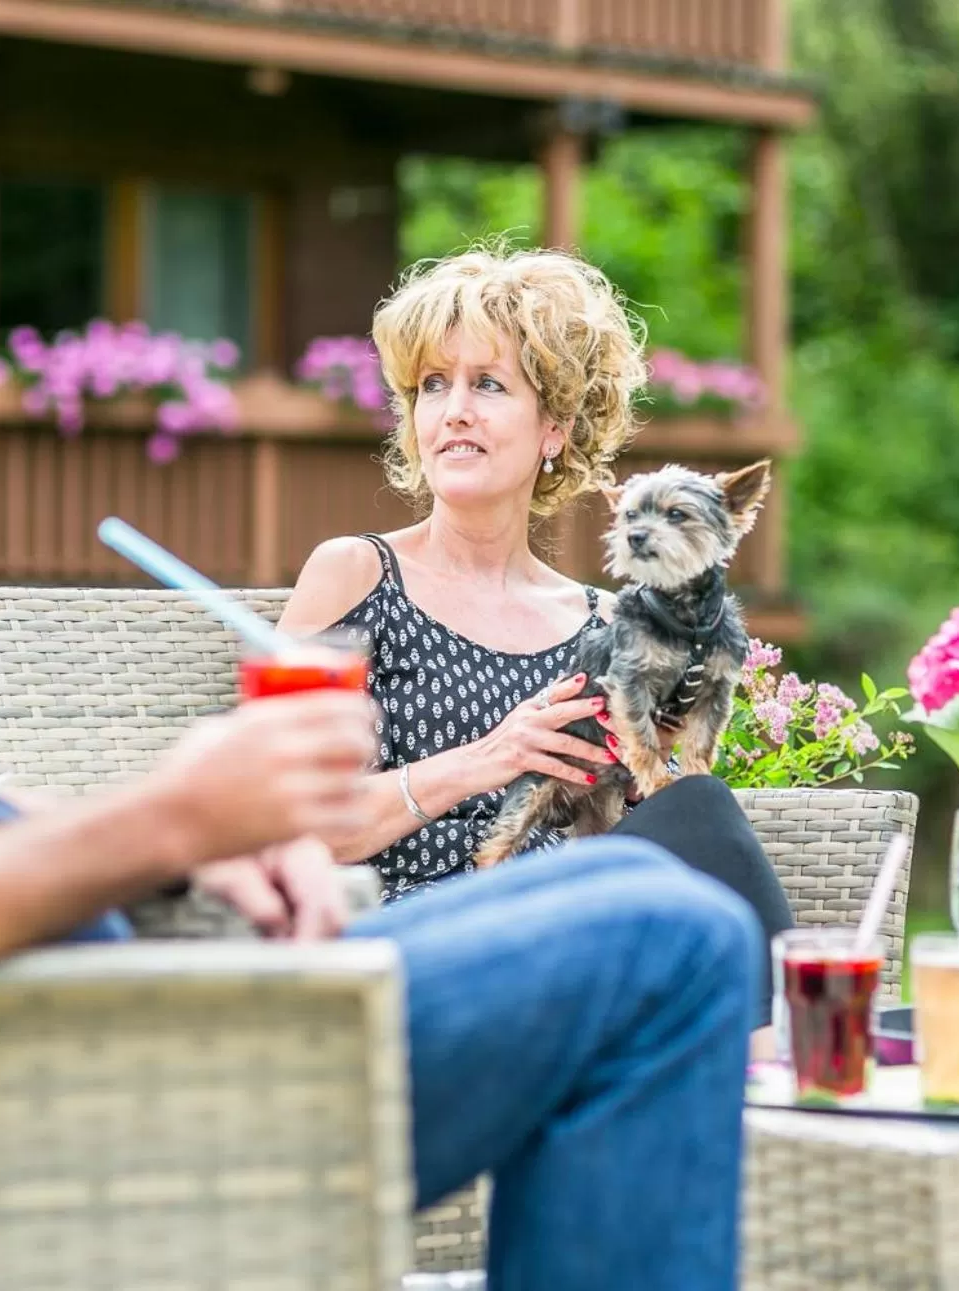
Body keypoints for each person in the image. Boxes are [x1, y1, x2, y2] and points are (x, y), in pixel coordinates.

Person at [0, 119, 760, 1291]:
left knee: (646, 891)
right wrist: (170, 820)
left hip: (98, 1022)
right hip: (54, 1097)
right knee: (674, 943)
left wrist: (201, 847)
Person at [277, 244, 796, 1046]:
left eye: (487, 384)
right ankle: (790, 1078)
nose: (453, 410)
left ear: (554, 425)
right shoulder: (354, 574)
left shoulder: (604, 619)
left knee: (696, 808)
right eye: (431, 386)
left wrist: (648, 774)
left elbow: (623, 831)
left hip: (569, 933)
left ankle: (785, 1080)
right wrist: (486, 757)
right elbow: (281, 822)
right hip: (419, 942)